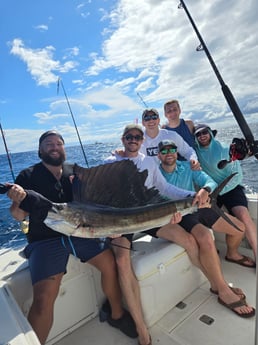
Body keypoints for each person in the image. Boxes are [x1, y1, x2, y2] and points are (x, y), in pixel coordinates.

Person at [7, 130, 137, 345]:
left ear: (64, 149)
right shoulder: (27, 176)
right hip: (45, 240)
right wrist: (17, 200)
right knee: (43, 298)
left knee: (110, 264)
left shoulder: (73, 172)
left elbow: (97, 199)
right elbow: (18, 215)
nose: (55, 147)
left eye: (59, 143)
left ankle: (117, 315)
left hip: (80, 232)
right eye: (49, 144)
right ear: (40, 150)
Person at [156, 139, 255, 318]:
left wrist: (206, 190)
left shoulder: (187, 167)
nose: (168, 153)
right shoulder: (155, 174)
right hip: (179, 215)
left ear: (177, 152)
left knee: (240, 228)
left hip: (199, 206)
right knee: (206, 238)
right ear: (158, 155)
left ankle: (232, 254)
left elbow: (208, 180)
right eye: (164, 150)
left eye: (172, 149)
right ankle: (222, 289)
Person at [194, 124, 257, 267]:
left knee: (244, 216)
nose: (202, 136)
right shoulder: (195, 152)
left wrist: (220, 192)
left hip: (231, 189)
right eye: (198, 134)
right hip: (211, 190)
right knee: (200, 221)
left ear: (210, 133)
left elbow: (238, 176)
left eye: (205, 132)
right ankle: (210, 251)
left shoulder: (225, 149)